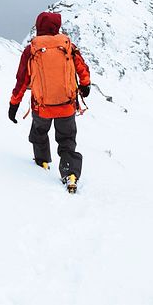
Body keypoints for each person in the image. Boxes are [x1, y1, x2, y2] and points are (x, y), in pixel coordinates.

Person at [8, 11, 91, 191]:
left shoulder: (31, 50)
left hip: (42, 107)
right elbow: (82, 68)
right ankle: (70, 173)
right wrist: (85, 86)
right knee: (67, 140)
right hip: (66, 105)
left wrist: (14, 104)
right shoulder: (68, 45)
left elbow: (22, 80)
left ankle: (42, 163)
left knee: (39, 134)